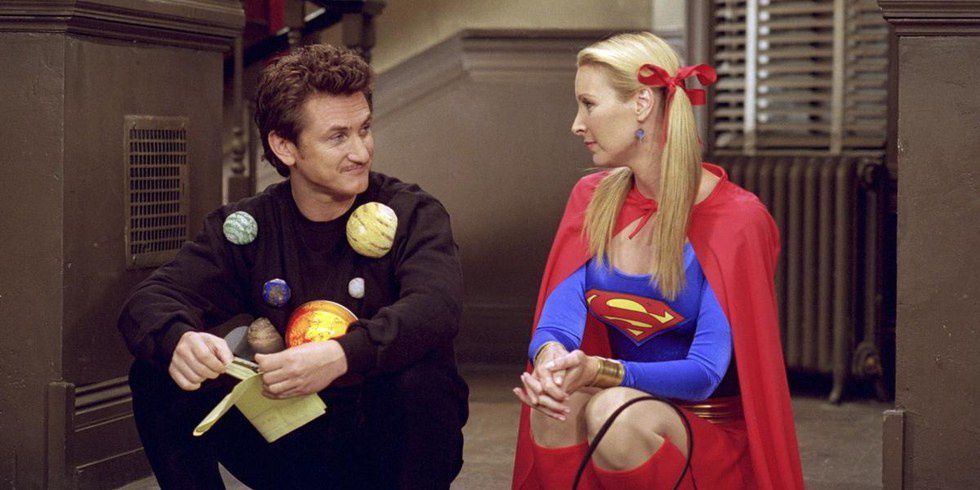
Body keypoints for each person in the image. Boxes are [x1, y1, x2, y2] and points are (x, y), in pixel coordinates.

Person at [118, 44, 468, 489]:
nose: (362, 151)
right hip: (288, 437)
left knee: (424, 379)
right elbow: (148, 300)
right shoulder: (249, 226)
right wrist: (180, 340)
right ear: (285, 146)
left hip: (383, 444)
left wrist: (341, 356)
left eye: (364, 129)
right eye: (338, 137)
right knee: (160, 371)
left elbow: (436, 307)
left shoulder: (412, 212)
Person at [511, 32, 804, 489]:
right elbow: (557, 323)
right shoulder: (591, 198)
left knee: (613, 412)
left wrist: (601, 372)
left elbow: (705, 373)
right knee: (554, 404)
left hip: (705, 433)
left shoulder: (737, 219)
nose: (577, 124)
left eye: (589, 104)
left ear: (642, 103)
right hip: (623, 406)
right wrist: (552, 364)